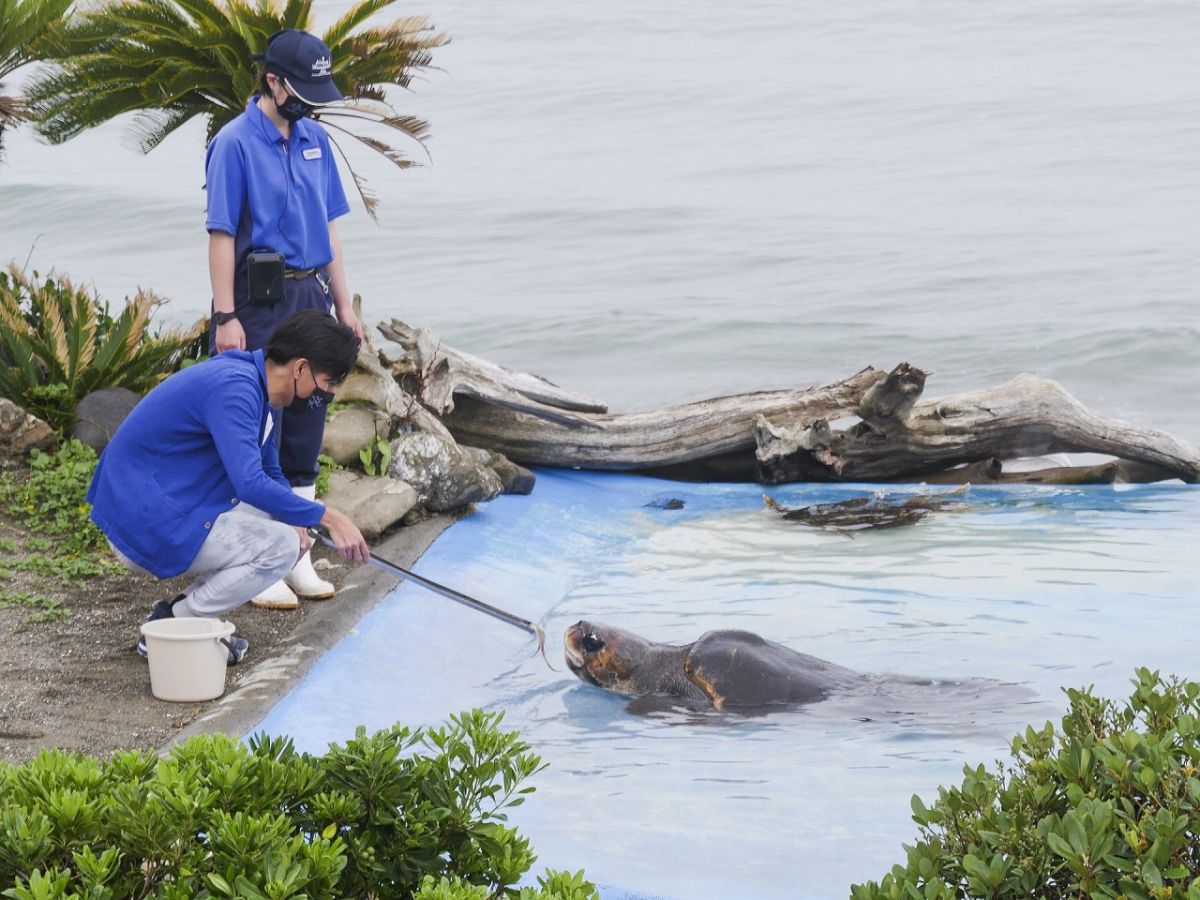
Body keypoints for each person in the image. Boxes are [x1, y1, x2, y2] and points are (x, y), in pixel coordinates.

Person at [87, 310, 371, 664]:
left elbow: (268, 470)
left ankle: (178, 615)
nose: (322, 398)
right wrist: (329, 517)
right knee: (280, 547)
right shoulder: (235, 389)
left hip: (163, 502)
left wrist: (298, 519)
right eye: (326, 386)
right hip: (144, 519)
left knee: (285, 530)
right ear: (299, 368)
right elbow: (249, 483)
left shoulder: (259, 386)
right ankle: (178, 624)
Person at [204, 27, 363, 610]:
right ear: (273, 81)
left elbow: (330, 228)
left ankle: (297, 558)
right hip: (256, 302)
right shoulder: (234, 143)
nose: (312, 101)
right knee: (259, 424)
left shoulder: (315, 139)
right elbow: (221, 233)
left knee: (308, 420)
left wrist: (344, 305)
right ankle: (259, 557)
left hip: (310, 294)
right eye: (304, 88)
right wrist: (226, 315)